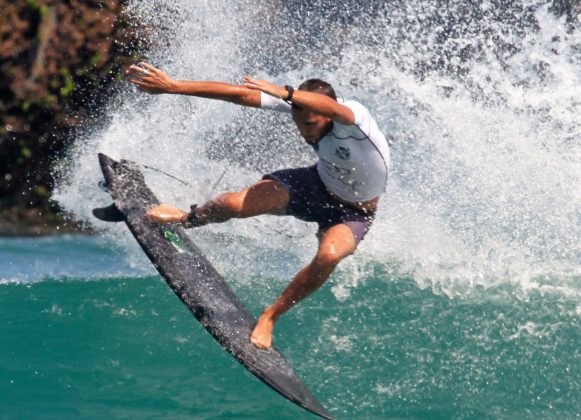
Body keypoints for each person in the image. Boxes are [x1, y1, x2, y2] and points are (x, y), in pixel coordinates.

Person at [126, 62, 390, 350]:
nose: (304, 132)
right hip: (314, 185)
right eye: (298, 123)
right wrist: (174, 86)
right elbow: (238, 95)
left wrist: (286, 92)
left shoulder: (354, 118)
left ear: (326, 114)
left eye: (310, 125)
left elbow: (336, 110)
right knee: (231, 203)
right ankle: (187, 219)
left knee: (328, 255)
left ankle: (270, 317)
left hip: (354, 212)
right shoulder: (302, 109)